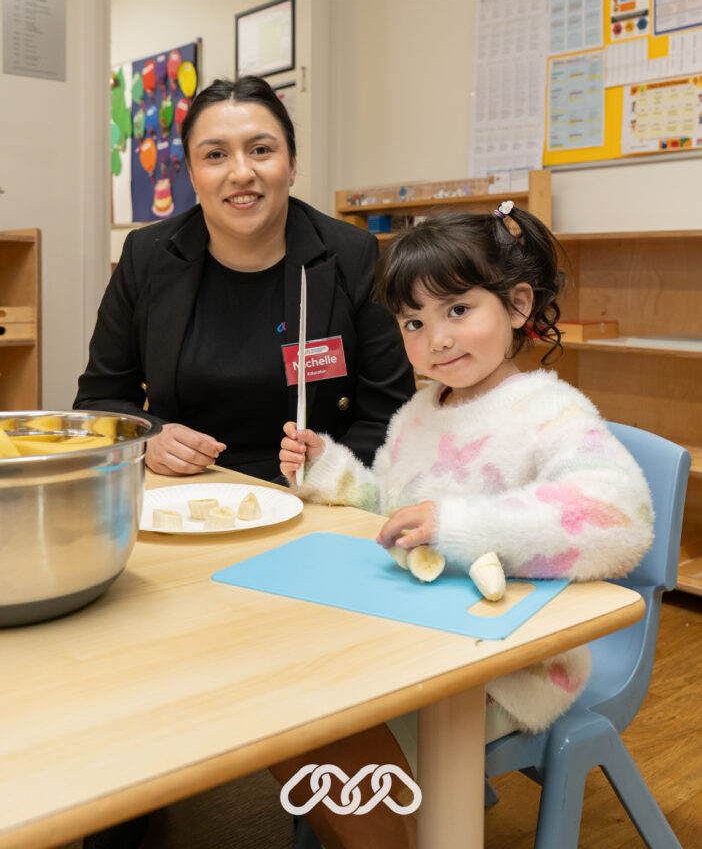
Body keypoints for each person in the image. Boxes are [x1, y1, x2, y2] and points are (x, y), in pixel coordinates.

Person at [274, 201, 654, 849]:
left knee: (324, 737)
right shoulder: (419, 412)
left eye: (457, 310)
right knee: (282, 711)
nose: (436, 340)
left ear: (516, 305)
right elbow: (397, 512)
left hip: (514, 666)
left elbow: (621, 519)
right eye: (413, 322)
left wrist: (462, 526)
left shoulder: (548, 411)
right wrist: (329, 470)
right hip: (414, 638)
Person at [74, 76, 415, 482]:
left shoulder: (352, 255)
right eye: (215, 154)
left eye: (261, 150)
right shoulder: (147, 255)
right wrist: (147, 438)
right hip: (183, 495)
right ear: (191, 172)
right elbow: (99, 401)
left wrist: (326, 471)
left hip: (314, 497)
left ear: (291, 165)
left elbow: (390, 415)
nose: (241, 172)